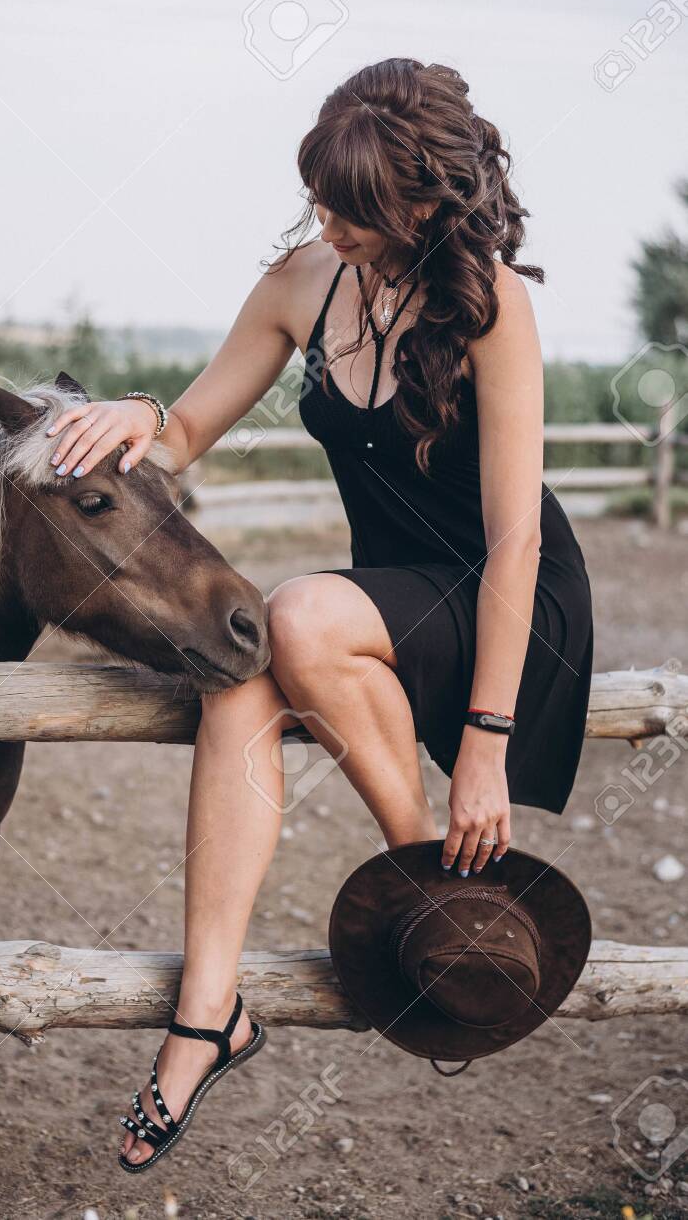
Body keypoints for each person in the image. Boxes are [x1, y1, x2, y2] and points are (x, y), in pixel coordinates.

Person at [45, 57, 594, 1170]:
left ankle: (433, 885)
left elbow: (515, 540)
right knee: (237, 671)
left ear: (426, 202)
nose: (330, 225)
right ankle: (207, 1017)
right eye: (323, 200)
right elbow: (189, 428)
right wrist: (135, 413)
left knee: (288, 614)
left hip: (508, 603)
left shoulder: (493, 304)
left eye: (355, 208)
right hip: (380, 603)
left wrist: (483, 747)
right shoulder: (304, 281)